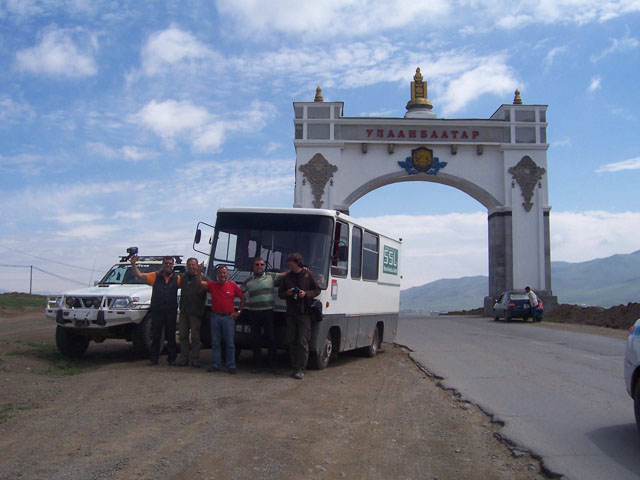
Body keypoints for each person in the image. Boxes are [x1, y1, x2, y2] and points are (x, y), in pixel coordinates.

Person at [130, 255, 181, 366]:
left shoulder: (177, 278)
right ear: (163, 264)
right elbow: (139, 275)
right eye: (166, 263)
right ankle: (154, 359)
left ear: (173, 265)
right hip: (157, 311)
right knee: (156, 335)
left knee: (171, 336)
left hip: (171, 311)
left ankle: (172, 359)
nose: (168, 265)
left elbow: (188, 285)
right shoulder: (155, 276)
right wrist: (133, 264)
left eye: (170, 263)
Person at [241, 257, 287, 375]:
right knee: (255, 340)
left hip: (268, 312)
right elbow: (238, 293)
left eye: (262, 265)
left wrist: (302, 269)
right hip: (254, 312)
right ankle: (258, 366)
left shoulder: (271, 276)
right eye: (257, 265)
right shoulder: (248, 281)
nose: (260, 267)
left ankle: (273, 366)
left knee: (271, 339)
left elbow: (285, 274)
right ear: (253, 266)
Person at [278, 253, 320, 380]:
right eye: (289, 262)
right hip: (291, 313)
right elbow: (280, 293)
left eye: (291, 262)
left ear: (297, 263)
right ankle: (294, 366)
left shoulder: (308, 275)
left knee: (303, 341)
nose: (289, 264)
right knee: (291, 340)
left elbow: (317, 290)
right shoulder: (287, 277)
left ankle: (301, 369)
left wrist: (305, 294)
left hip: (304, 313)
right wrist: (287, 293)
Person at [200, 265, 245, 374]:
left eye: (224, 273)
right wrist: (198, 271)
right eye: (220, 273)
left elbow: (243, 298)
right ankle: (215, 365)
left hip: (228, 318)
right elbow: (200, 284)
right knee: (215, 343)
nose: (222, 275)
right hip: (215, 317)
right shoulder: (213, 285)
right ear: (217, 275)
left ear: (227, 274)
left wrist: (238, 312)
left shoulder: (232, 285)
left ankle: (231, 366)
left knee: (230, 343)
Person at [177, 257, 209, 368]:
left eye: (193, 265)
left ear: (197, 265)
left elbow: (213, 288)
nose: (191, 267)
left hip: (196, 313)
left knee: (195, 337)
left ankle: (195, 359)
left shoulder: (203, 278)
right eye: (189, 265)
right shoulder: (183, 278)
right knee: (182, 336)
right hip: (184, 312)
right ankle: (183, 358)